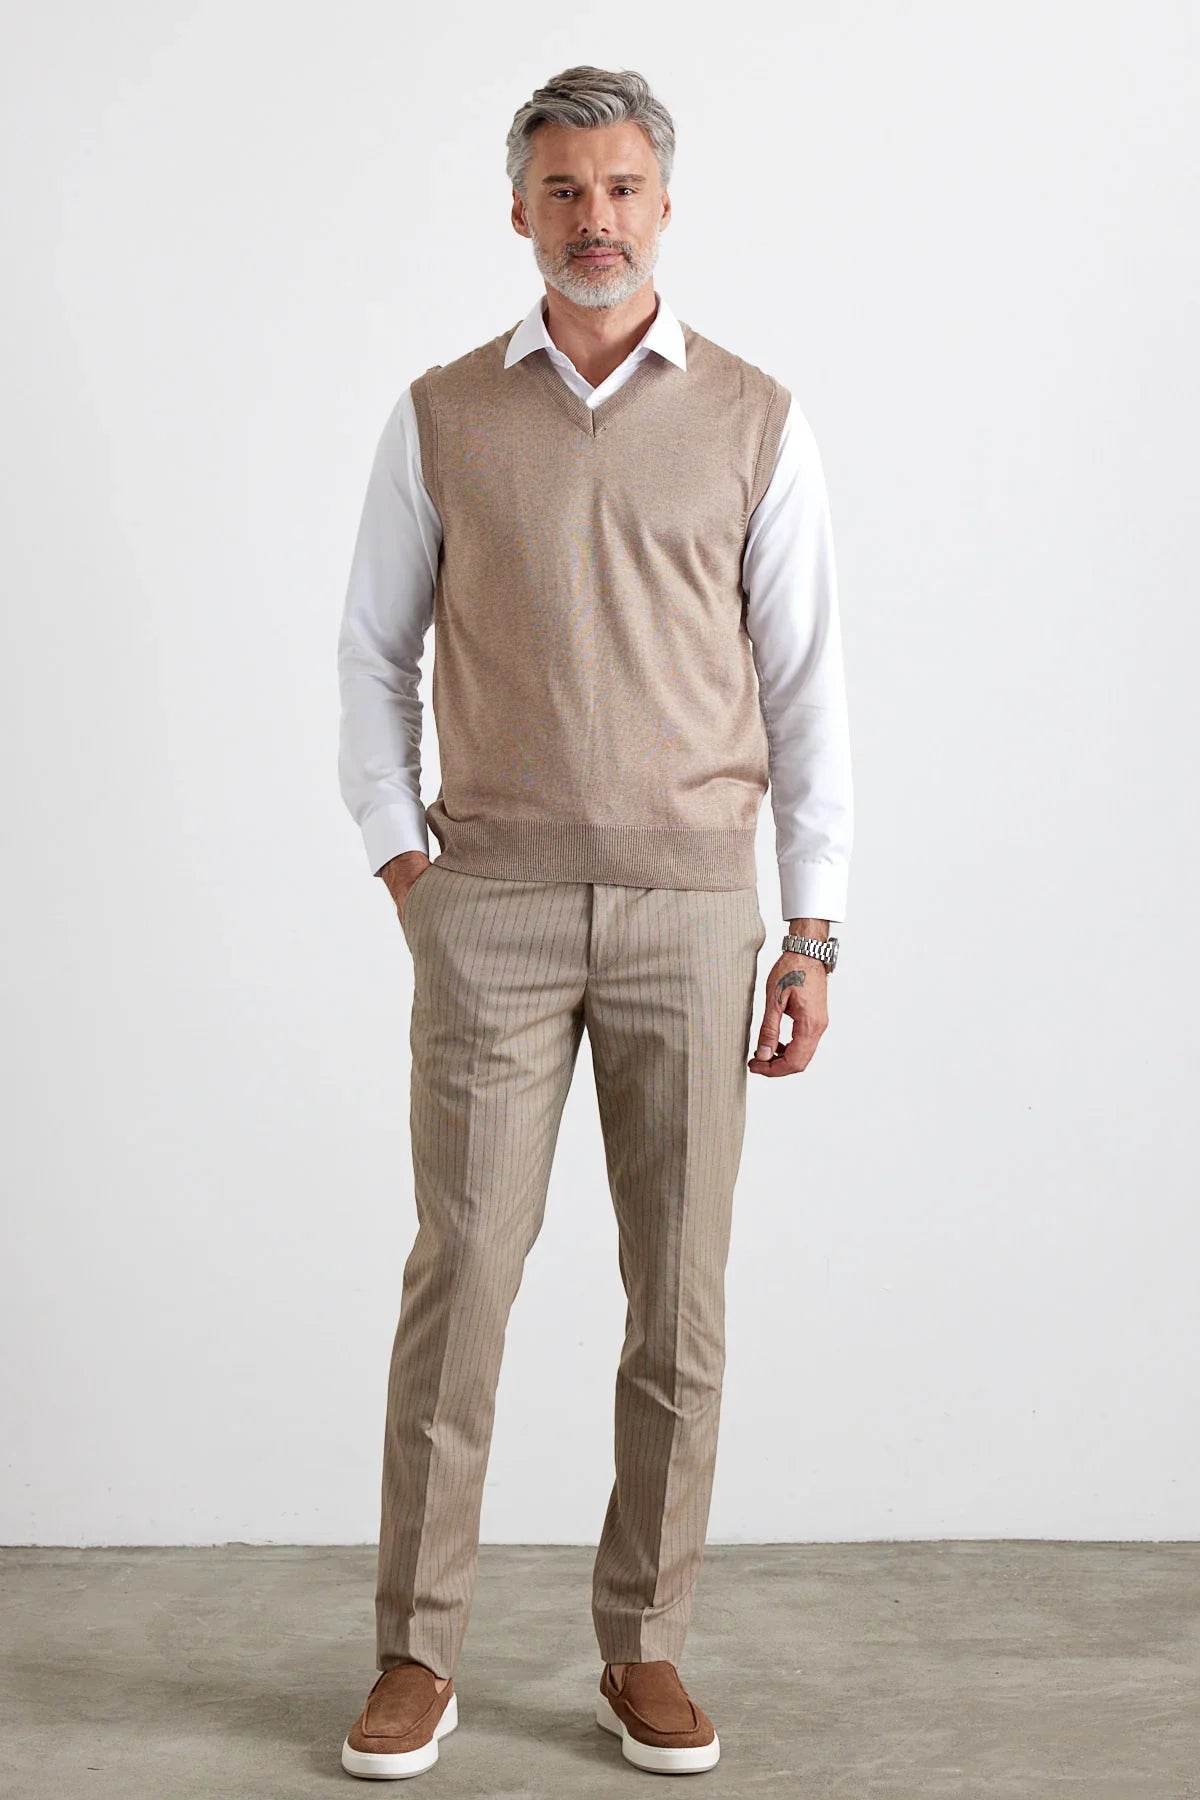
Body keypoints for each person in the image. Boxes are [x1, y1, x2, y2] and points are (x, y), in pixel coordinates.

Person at [334, 64, 853, 1781]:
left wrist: (813, 929)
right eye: (563, 190)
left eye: (622, 188)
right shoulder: (442, 414)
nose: (595, 219)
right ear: (518, 211)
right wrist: (406, 867)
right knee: (462, 1281)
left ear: (664, 206)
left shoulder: (756, 419)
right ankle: (419, 1654)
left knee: (678, 1303)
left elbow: (807, 688)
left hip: (693, 916)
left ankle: (645, 1645)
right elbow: (372, 653)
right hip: (487, 909)